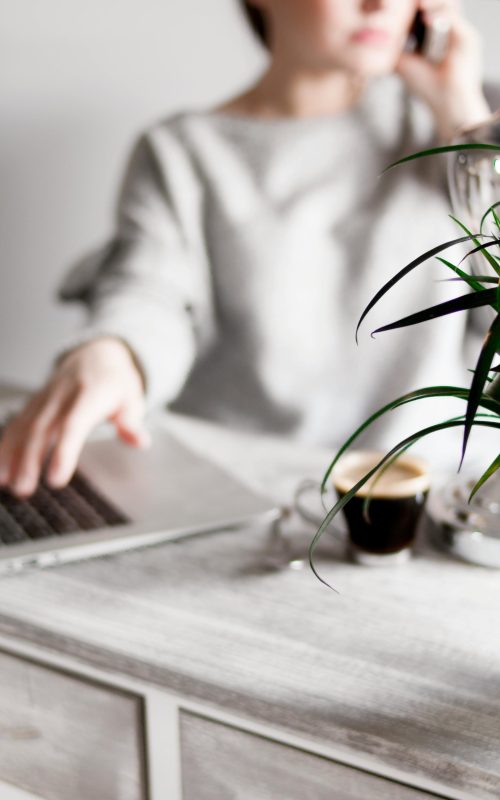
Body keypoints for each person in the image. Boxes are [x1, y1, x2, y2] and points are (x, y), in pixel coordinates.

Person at [0, 0, 493, 498]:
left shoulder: (460, 132)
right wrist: (115, 351)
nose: (382, 4)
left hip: (428, 502)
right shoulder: (183, 151)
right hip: (245, 498)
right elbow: (149, 290)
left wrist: (462, 117)